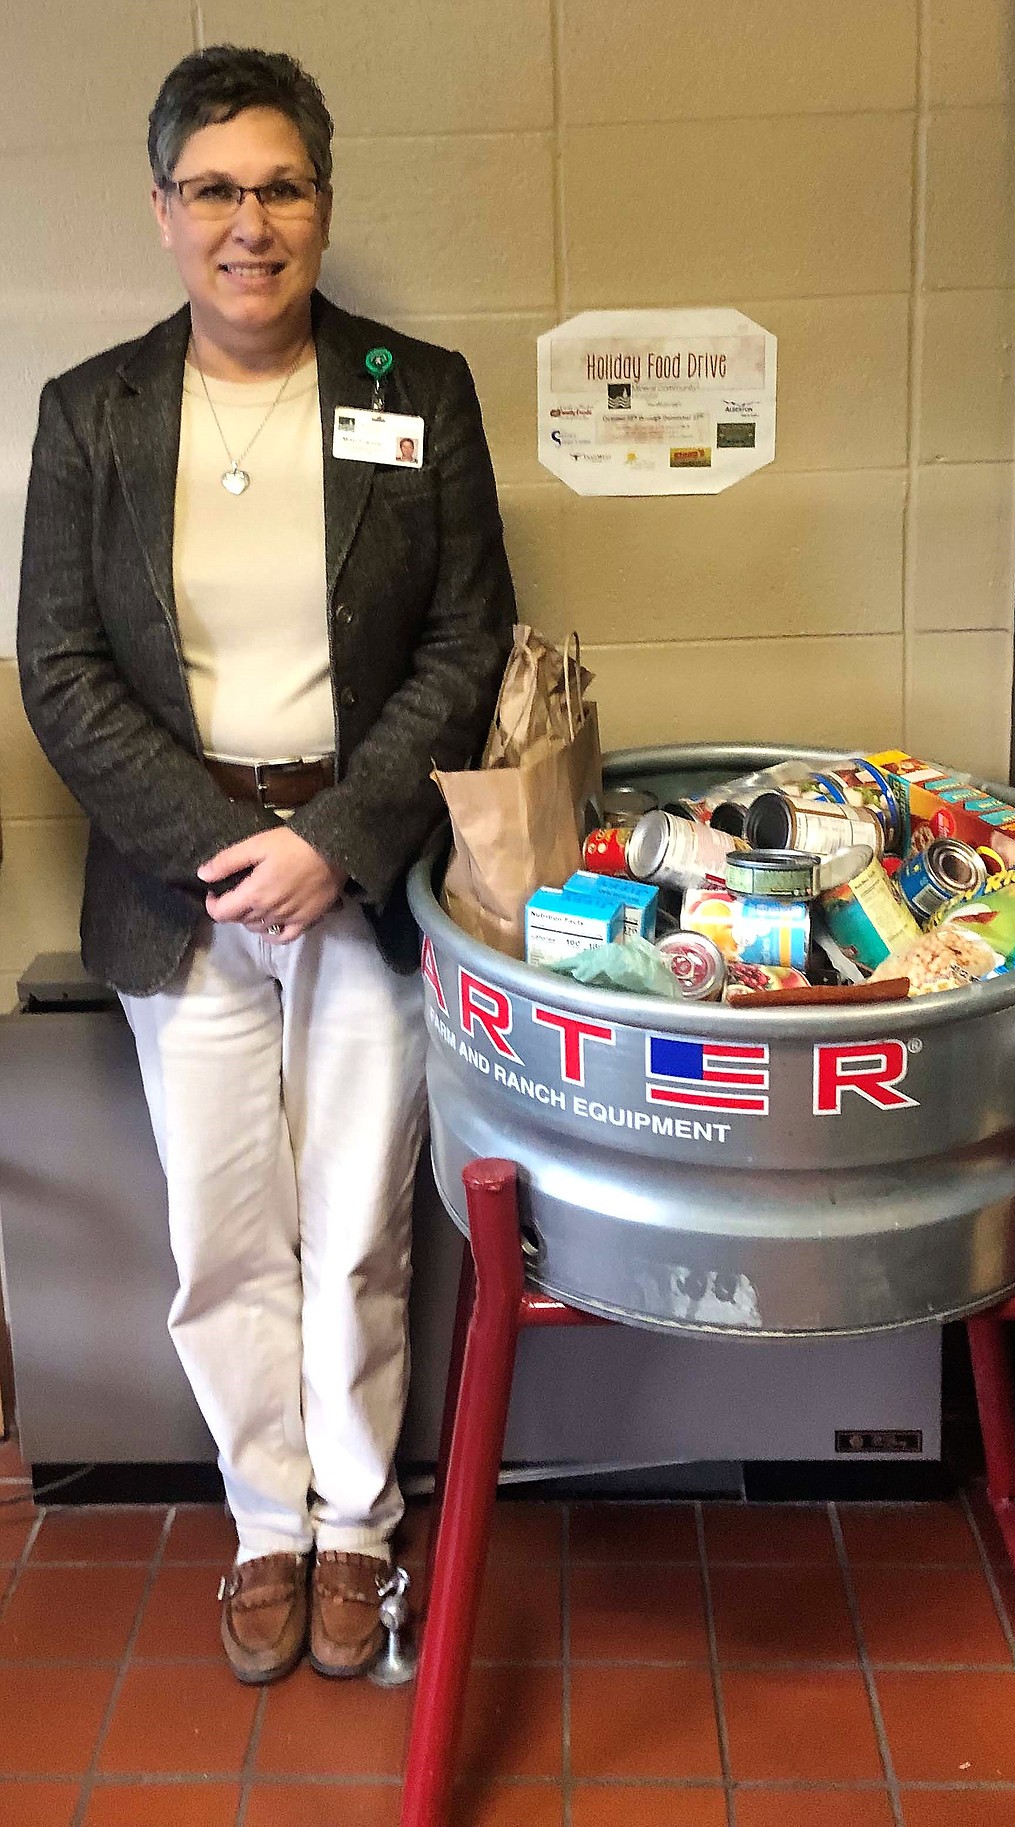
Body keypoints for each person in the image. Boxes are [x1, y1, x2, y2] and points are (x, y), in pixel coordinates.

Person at [17, 45, 515, 1684]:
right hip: (180, 892)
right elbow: (62, 667)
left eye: (281, 186)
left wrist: (334, 840)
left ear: (323, 201)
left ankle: (360, 1530)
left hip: (368, 875)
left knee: (361, 1222)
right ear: (165, 212)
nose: (252, 222)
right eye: (216, 189)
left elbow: (463, 642)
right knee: (225, 1233)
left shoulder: (411, 385)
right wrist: (238, 848)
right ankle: (265, 1524)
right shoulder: (91, 412)